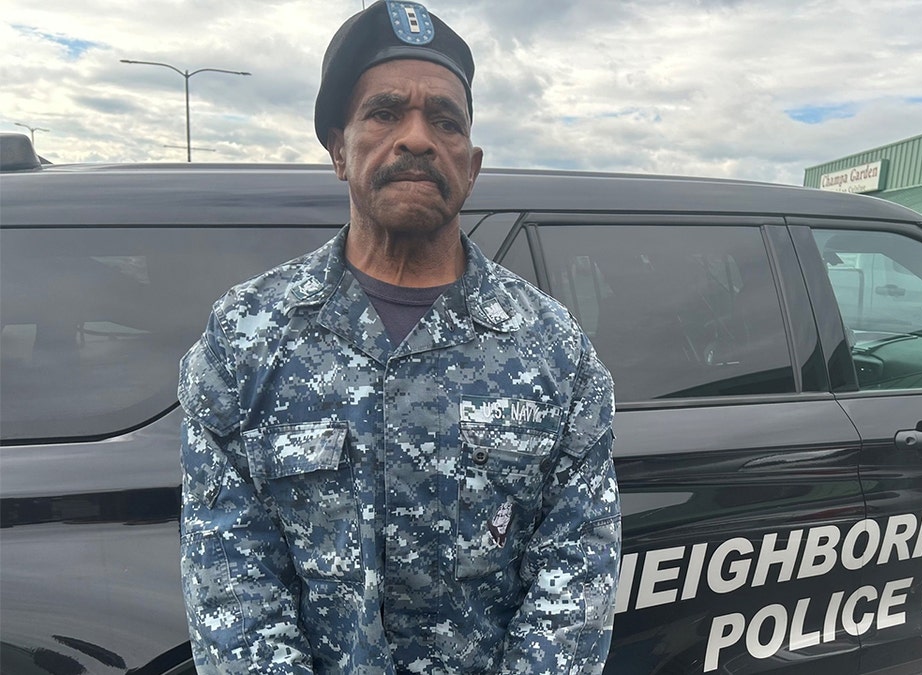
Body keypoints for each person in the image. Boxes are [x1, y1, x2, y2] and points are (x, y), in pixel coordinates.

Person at [177, 2, 620, 673]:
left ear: (470, 165)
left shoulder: (555, 353)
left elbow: (574, 583)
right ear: (338, 149)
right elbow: (232, 582)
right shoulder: (246, 341)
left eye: (445, 120)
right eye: (385, 112)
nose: (417, 137)